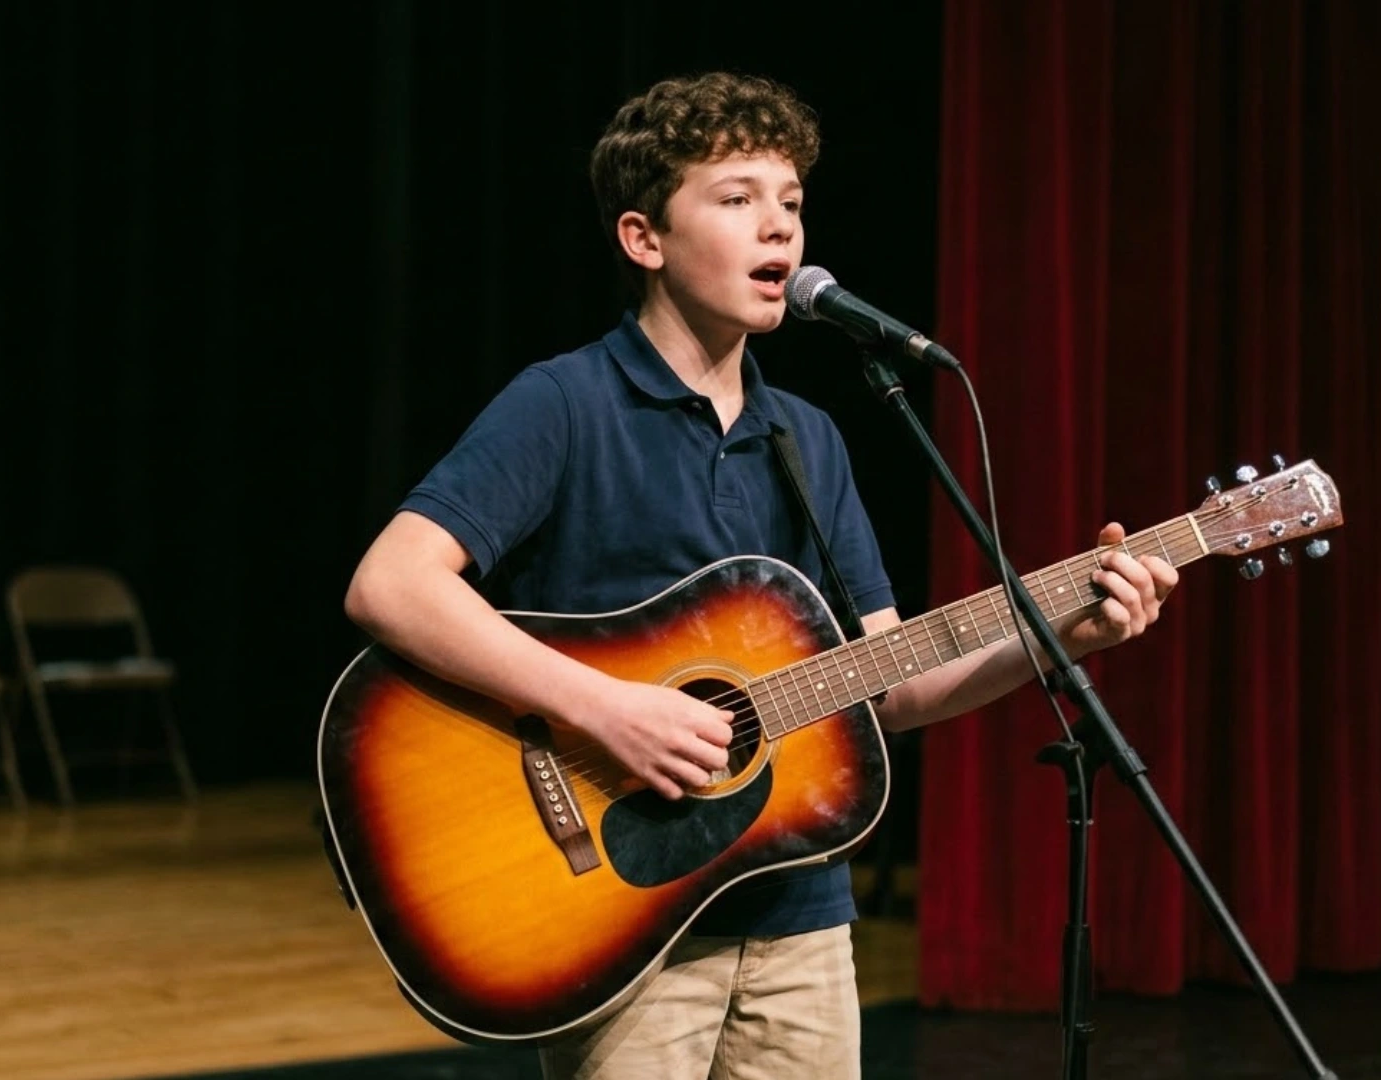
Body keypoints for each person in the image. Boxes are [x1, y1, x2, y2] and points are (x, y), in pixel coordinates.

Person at [343, 70, 1178, 1080]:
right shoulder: (563, 406)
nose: (778, 229)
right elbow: (391, 585)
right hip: (621, 925)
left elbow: (891, 681)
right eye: (737, 199)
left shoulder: (809, 439)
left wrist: (1058, 637)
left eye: (791, 204)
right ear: (644, 239)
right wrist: (609, 711)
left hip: (800, 921)